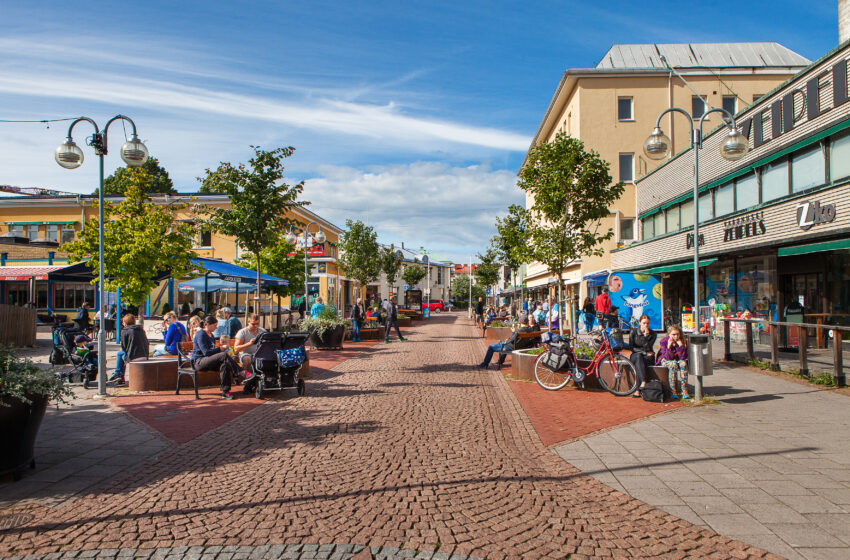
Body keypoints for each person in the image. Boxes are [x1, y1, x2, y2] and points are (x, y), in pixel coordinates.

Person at [192, 314, 239, 399]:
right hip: (199, 362)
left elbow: (211, 352)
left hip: (208, 361)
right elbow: (206, 352)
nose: (216, 328)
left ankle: (226, 391)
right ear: (207, 325)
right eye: (214, 325)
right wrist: (220, 348)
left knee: (225, 364)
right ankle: (240, 372)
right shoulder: (201, 334)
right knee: (224, 354)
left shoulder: (212, 336)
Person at [109, 314, 149, 385]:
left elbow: (124, 346)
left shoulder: (125, 330)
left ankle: (118, 374)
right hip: (144, 355)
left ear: (125, 322)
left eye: (123, 322)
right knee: (122, 354)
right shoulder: (141, 329)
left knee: (120, 354)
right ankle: (119, 375)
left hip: (133, 356)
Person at [657, 325, 689, 399]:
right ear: (669, 334)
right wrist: (669, 346)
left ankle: (684, 389)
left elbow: (683, 357)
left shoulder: (683, 341)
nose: (676, 336)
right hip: (666, 359)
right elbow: (668, 357)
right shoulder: (664, 341)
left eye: (677, 334)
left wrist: (681, 346)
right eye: (673, 334)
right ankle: (673, 389)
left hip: (678, 360)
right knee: (673, 364)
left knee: (683, 364)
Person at [629, 314, 657, 398]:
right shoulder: (633, 332)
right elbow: (631, 347)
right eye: (644, 323)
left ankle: (637, 390)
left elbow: (649, 348)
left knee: (639, 363)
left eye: (648, 323)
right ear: (640, 323)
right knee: (638, 357)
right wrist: (643, 353)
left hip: (647, 357)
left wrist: (645, 337)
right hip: (636, 355)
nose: (646, 325)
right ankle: (643, 381)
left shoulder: (653, 334)